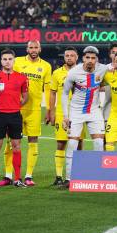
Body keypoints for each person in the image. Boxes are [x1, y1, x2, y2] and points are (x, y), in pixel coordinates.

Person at [0, 41, 51, 187]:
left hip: (34, 110)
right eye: (31, 47)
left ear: (40, 49)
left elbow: (47, 90)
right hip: (15, 109)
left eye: (36, 47)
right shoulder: (17, 62)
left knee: (33, 141)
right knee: (10, 142)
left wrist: (49, 109)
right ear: (27, 49)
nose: (33, 50)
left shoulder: (46, 66)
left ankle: (28, 175)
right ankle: (8, 175)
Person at [61, 46, 110, 188]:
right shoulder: (74, 72)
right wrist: (66, 116)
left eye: (93, 58)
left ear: (97, 60)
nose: (90, 61)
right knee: (72, 144)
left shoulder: (102, 69)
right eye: (87, 58)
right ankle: (69, 179)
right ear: (83, 58)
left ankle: (98, 177)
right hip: (76, 112)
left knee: (99, 143)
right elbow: (64, 93)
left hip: (94, 111)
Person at [0, 49, 29, 188]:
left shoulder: (22, 77)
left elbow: (25, 97)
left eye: (10, 59)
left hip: (15, 115)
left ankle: (17, 179)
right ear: (1, 61)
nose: (7, 61)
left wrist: (16, 106)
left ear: (14, 60)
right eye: (4, 59)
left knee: (16, 146)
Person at [47, 47, 83, 186]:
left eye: (72, 55)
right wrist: (51, 111)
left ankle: (77, 174)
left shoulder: (83, 72)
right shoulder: (56, 73)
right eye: (67, 55)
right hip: (62, 113)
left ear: (77, 57)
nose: (69, 58)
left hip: (79, 113)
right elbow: (52, 93)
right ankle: (58, 176)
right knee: (61, 143)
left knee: (79, 143)